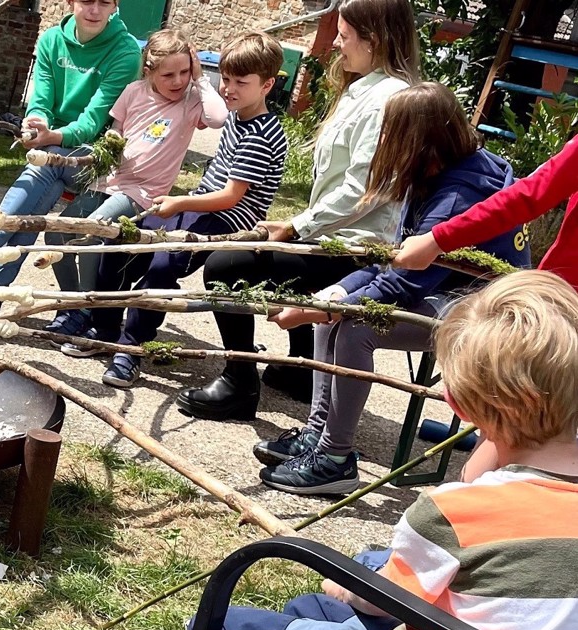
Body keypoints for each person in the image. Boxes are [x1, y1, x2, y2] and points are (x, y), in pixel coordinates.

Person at [191, 269, 578, 630]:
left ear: (458, 403)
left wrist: (345, 586)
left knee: (218, 629)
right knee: (322, 603)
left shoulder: (457, 512)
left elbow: (376, 605)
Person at [254, 83, 530, 496]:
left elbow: (403, 283)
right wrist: (335, 293)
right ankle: (318, 436)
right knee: (337, 313)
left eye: (391, 134)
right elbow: (397, 259)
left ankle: (334, 460)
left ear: (419, 139)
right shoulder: (442, 170)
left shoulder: (459, 194)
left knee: (353, 326)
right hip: (445, 290)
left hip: (486, 316)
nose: (383, 143)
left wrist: (325, 310)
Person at [178, 0, 419, 420]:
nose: (338, 45)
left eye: (344, 36)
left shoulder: (389, 99)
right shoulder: (367, 86)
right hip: (338, 234)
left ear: (373, 39)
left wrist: (296, 225)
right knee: (259, 264)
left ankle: (239, 381)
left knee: (224, 266)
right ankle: (301, 371)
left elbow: (366, 188)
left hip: (356, 248)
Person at [43, 26, 233, 342]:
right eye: (168, 74)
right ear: (149, 71)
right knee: (57, 231)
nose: (178, 81)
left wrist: (200, 79)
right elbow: (117, 130)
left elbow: (219, 118)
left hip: (142, 193)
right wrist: (112, 143)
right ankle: (73, 304)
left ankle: (88, 309)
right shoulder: (134, 91)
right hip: (109, 182)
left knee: (92, 232)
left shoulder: (190, 102)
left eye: (184, 72)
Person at [0, 0, 142, 294]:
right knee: (40, 195)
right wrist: (36, 124)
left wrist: (51, 138)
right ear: (70, 2)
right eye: (87, 1)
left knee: (44, 170)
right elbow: (40, 102)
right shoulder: (52, 39)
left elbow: (93, 120)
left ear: (115, 6)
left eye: (105, 2)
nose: (95, 10)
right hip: (53, 151)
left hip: (95, 160)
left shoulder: (126, 51)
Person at [393, 129, 578, 296]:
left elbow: (528, 197)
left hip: (564, 295)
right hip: (560, 290)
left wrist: (437, 240)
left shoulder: (457, 195)